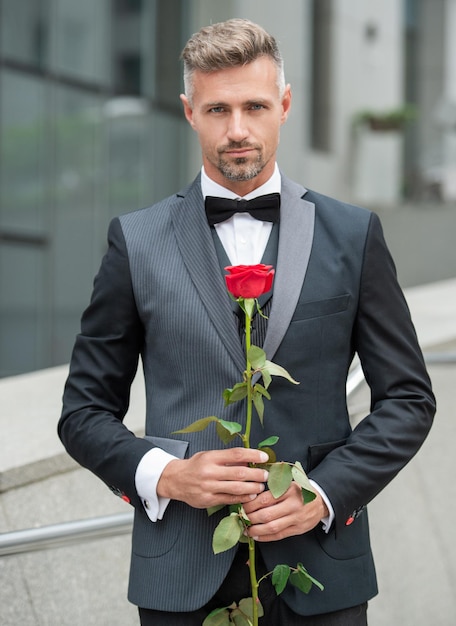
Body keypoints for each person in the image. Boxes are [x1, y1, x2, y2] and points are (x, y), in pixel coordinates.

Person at [58, 18, 435, 625]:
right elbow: (82, 413)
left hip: (322, 577)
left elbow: (410, 398)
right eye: (217, 110)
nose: (237, 130)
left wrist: (325, 493)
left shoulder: (354, 235)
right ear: (188, 112)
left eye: (255, 106)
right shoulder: (136, 242)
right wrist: (170, 475)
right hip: (181, 580)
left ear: (284, 105)